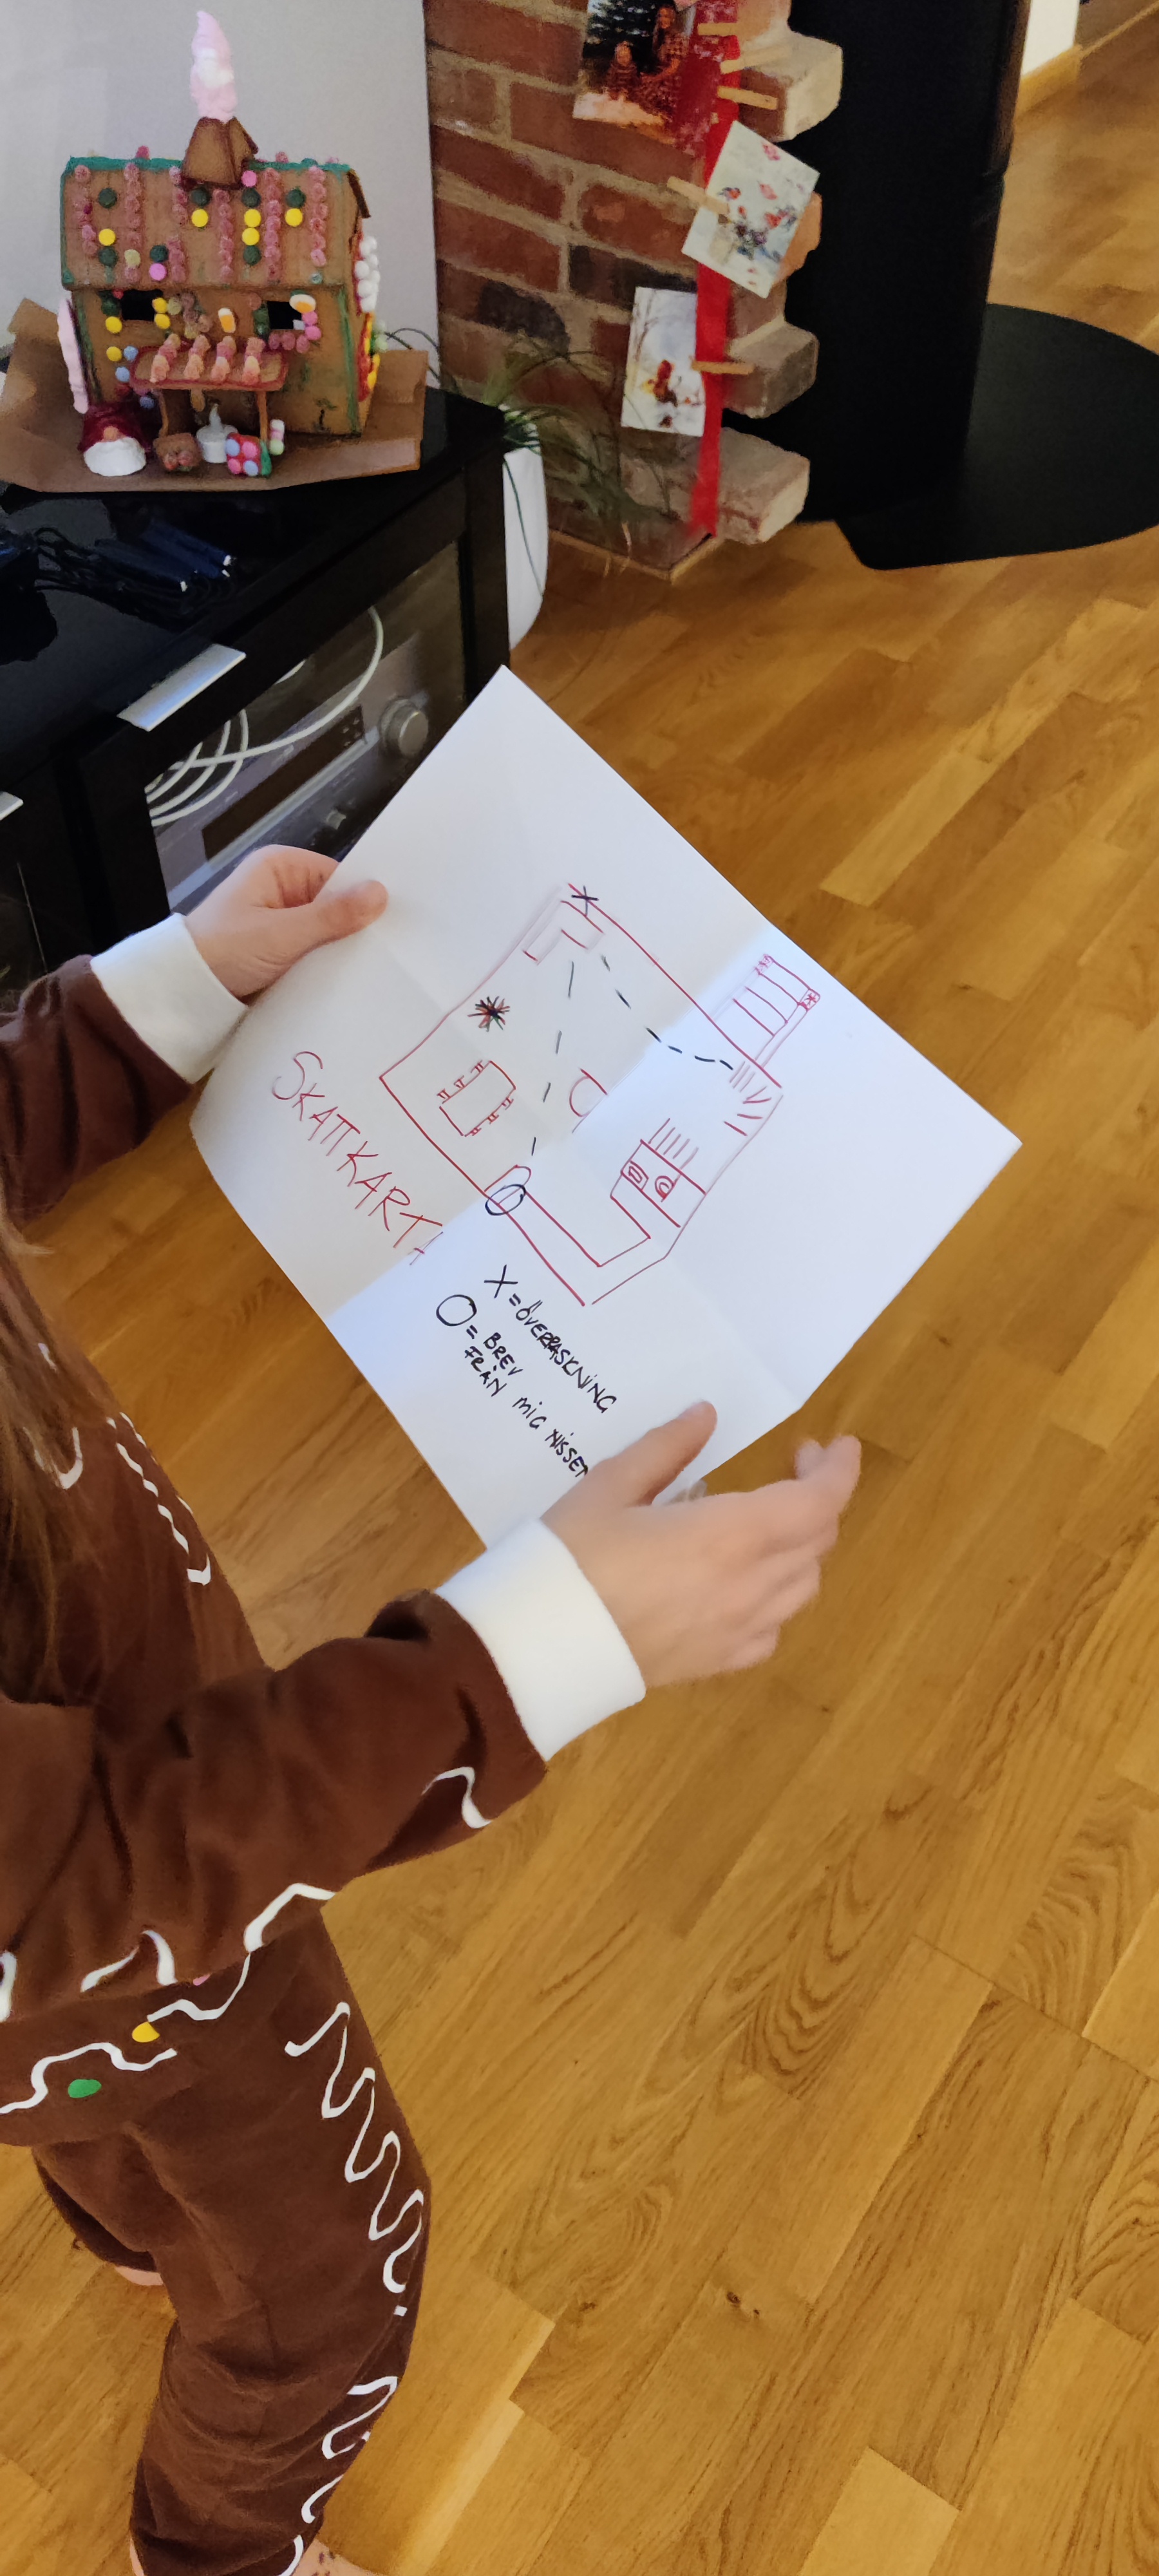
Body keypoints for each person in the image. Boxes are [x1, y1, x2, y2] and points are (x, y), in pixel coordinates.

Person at [0, 843, 861, 2576]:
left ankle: (131, 2212)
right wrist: (532, 1653)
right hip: (139, 1940)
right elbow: (83, 1885)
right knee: (328, 2284)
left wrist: (148, 1001)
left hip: (80, 1954)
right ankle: (220, 2554)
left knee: (96, 2105)